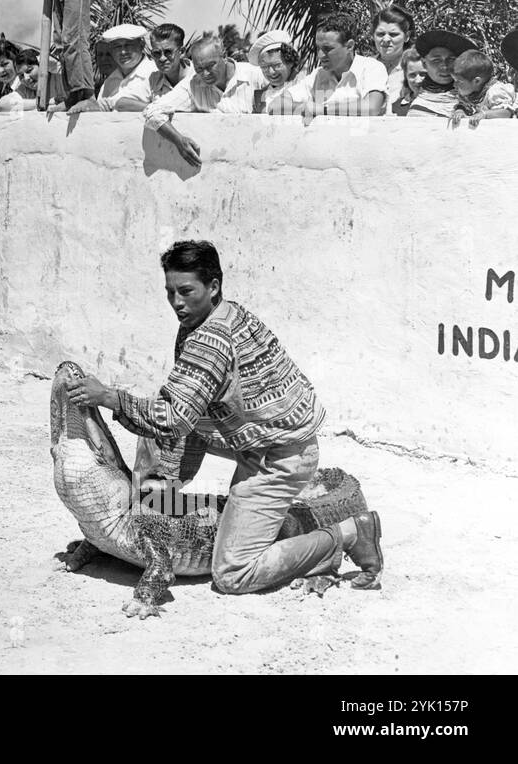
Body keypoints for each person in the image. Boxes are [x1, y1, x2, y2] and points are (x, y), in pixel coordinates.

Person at [64, 240, 384, 600]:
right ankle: (158, 507)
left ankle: (348, 534)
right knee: (153, 429)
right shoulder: (213, 316)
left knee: (232, 573)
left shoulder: (210, 339)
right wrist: (166, 476)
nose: (176, 303)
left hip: (280, 456)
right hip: (251, 436)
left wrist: (108, 397)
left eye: (186, 291)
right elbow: (185, 407)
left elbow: (173, 420)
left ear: (213, 286)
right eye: (170, 292)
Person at [142, 36, 264, 166]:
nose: (205, 74)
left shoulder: (255, 75)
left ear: (224, 56)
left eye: (211, 66)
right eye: (199, 69)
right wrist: (179, 141)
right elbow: (152, 111)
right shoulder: (193, 84)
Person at [285, 15, 387, 119]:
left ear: (349, 46)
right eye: (318, 48)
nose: (320, 55)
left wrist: (322, 109)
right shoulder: (317, 75)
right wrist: (304, 108)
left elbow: (372, 107)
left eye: (327, 49)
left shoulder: (371, 68)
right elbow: (275, 105)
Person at [83, 24, 159, 112]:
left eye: (128, 45)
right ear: (111, 50)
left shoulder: (155, 74)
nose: (123, 52)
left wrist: (130, 105)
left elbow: (168, 110)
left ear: (141, 45)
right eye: (117, 47)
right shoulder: (110, 81)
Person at [406, 29, 476, 118]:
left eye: (451, 60)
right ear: (424, 64)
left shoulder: (477, 97)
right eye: (436, 60)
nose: (444, 67)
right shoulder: (418, 109)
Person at [449, 50, 515, 128]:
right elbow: (465, 105)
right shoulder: (471, 91)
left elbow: (506, 113)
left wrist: (484, 114)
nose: (454, 85)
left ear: (476, 81)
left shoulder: (495, 92)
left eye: (458, 81)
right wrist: (460, 111)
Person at [246, 30, 304, 114]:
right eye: (264, 67)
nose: (271, 72)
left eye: (277, 65)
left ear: (290, 62)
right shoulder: (259, 97)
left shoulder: (305, 86)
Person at [372, 5, 414, 101]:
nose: (386, 39)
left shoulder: (416, 70)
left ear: (407, 36)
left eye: (393, 34)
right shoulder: (363, 67)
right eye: (380, 34)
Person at [148, 23, 191, 101]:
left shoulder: (198, 78)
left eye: (168, 52)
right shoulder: (153, 79)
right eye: (157, 53)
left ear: (181, 52)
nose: (162, 58)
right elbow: (122, 102)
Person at [390, 49, 425, 117]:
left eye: (423, 74)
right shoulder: (395, 108)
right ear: (406, 77)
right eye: (412, 75)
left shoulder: (446, 102)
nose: (418, 80)